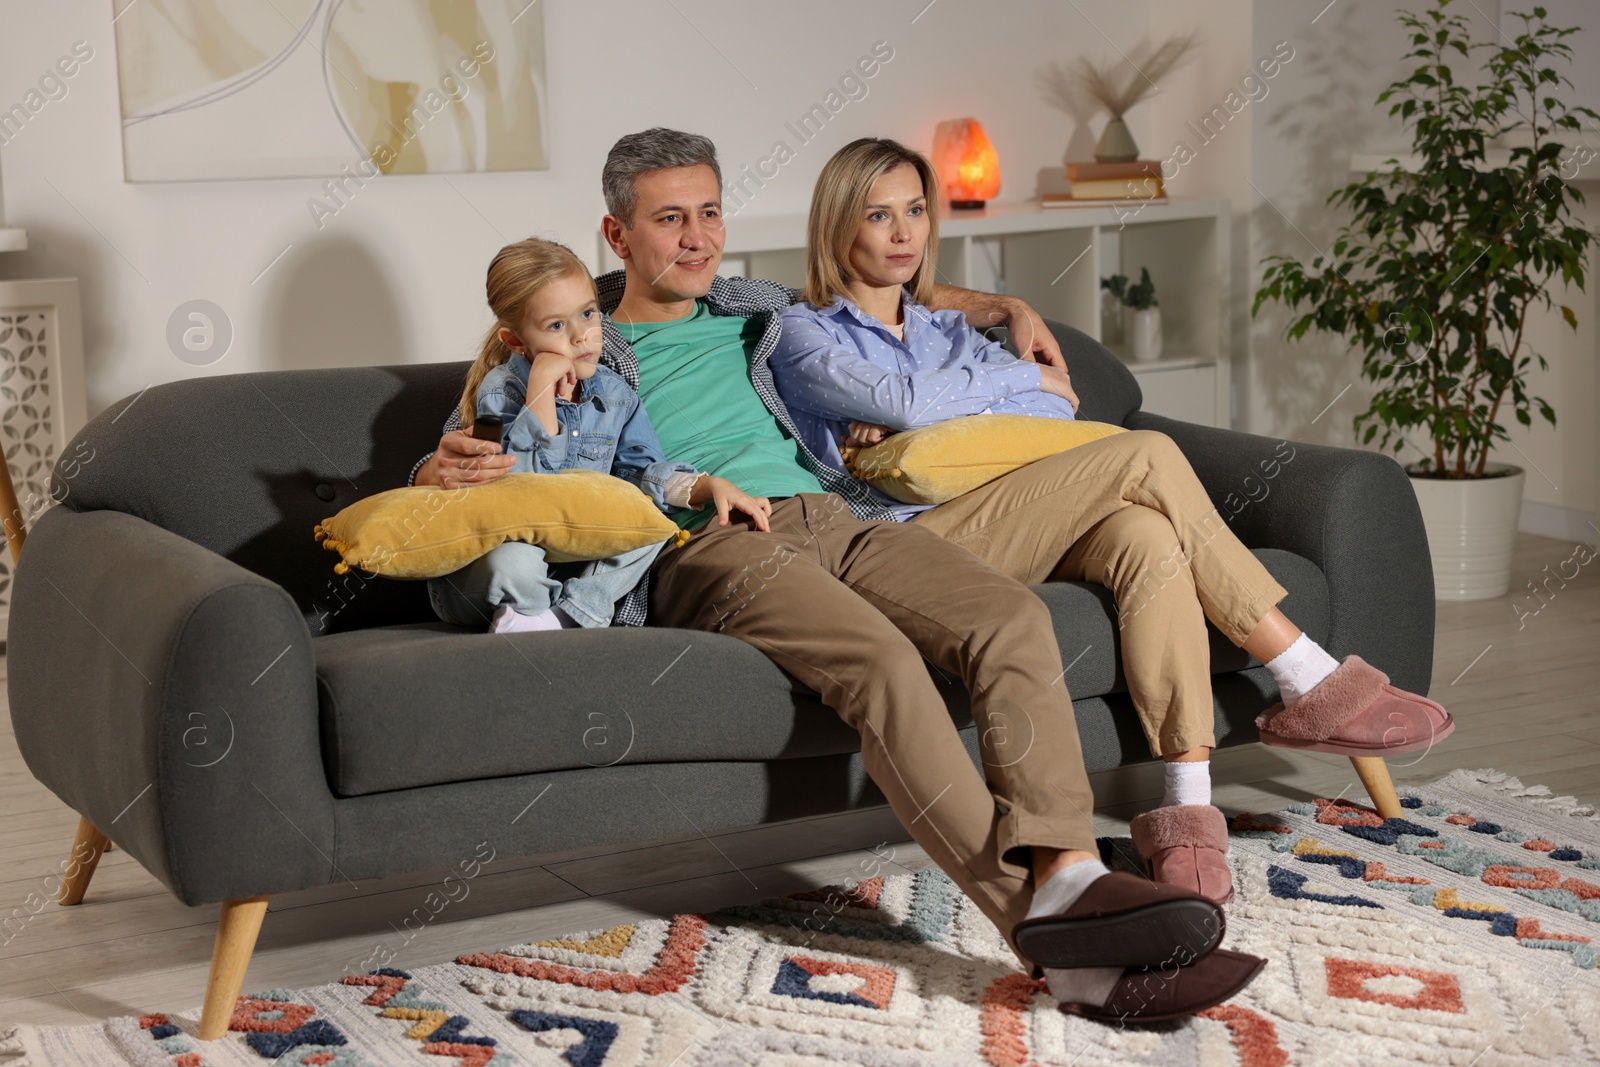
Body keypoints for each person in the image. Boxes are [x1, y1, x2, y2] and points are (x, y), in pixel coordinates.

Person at [412, 128, 1270, 1020]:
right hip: (706, 542)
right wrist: (438, 470)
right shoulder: (572, 330)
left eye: (710, 213)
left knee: (1012, 619)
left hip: (837, 516)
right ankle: (1049, 933)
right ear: (616, 237)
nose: (699, 238)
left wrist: (1006, 305)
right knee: (884, 665)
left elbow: (887, 278)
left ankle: (1072, 871)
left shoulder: (754, 305)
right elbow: (468, 444)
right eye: (671, 220)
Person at [768, 136, 1456, 905]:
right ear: (839, 228)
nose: (903, 233)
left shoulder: (944, 332)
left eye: (916, 211)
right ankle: (1309, 677)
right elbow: (909, 403)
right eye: (877, 214)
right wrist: (961, 393)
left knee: (1148, 538)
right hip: (910, 546)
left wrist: (966, 389)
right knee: (1145, 454)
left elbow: (1056, 399)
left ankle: (1187, 803)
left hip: (1016, 508)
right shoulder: (805, 332)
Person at [427, 237, 772, 634]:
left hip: (573, 563)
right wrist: (540, 389)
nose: (581, 336)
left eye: (587, 314)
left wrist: (704, 485)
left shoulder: (615, 394)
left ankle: (567, 615)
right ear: (516, 341)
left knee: (653, 527)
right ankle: (537, 611)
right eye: (556, 325)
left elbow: (641, 473)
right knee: (514, 563)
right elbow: (515, 491)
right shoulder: (499, 391)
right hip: (503, 559)